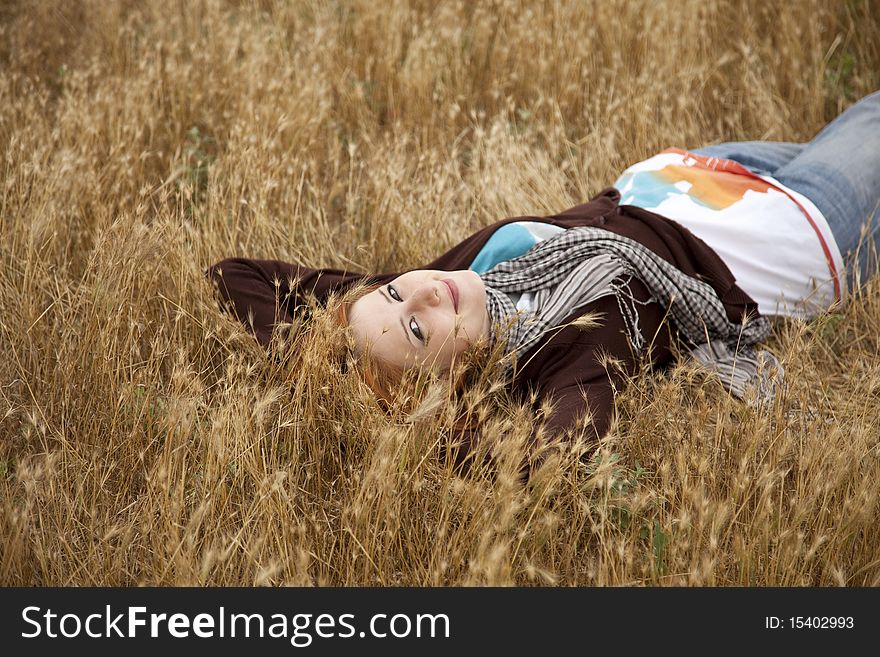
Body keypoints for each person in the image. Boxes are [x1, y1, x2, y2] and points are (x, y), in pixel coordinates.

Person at [206, 91, 880, 473]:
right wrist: (404, 433)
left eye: (388, 291)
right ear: (448, 389)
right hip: (798, 227)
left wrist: (323, 364)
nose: (417, 294)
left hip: (692, 174)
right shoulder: (574, 352)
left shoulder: (448, 285)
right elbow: (558, 454)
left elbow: (235, 276)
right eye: (415, 329)